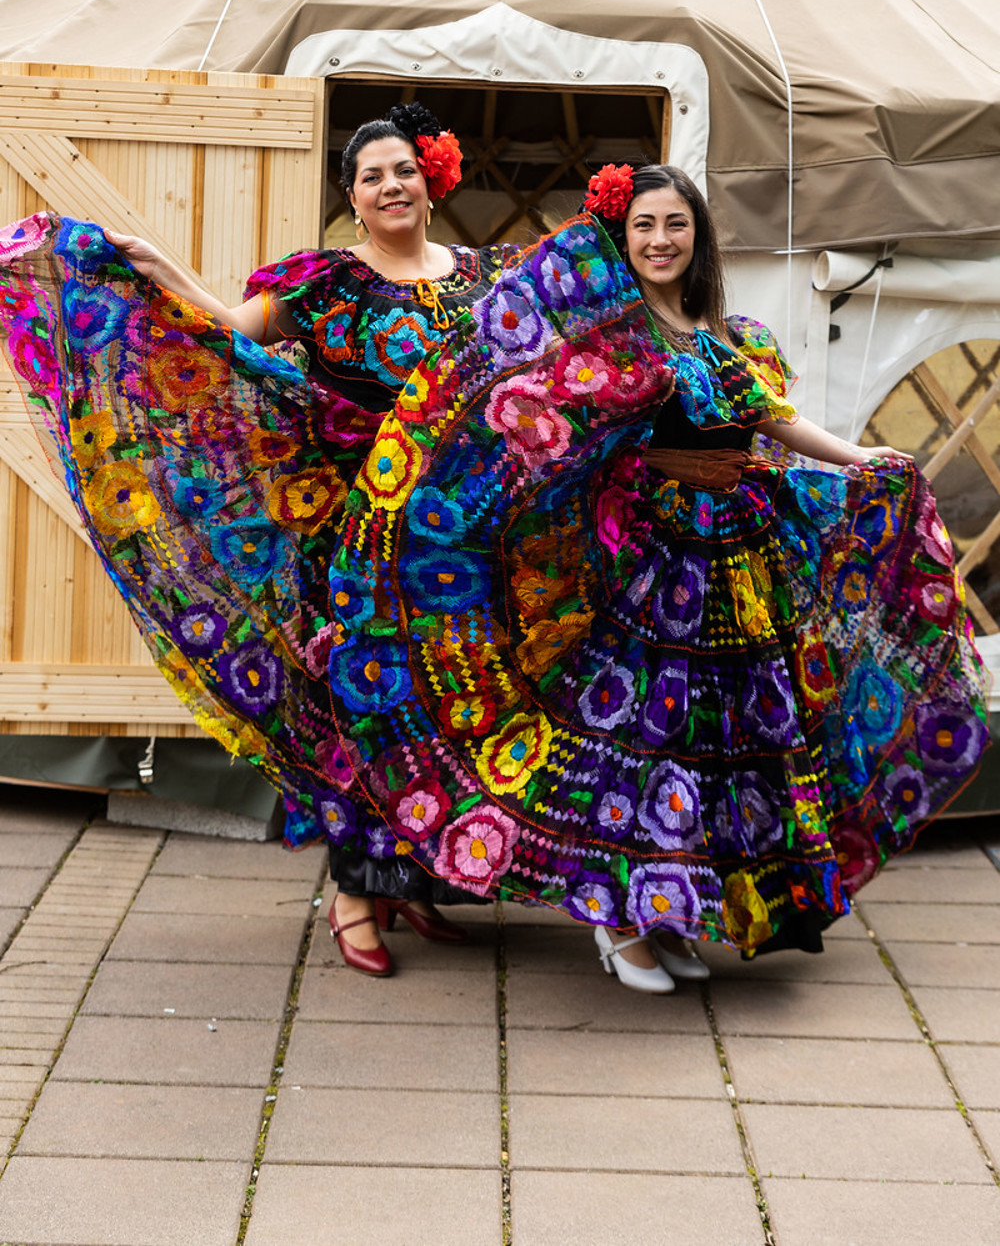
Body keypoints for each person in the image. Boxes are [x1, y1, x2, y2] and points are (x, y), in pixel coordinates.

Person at [317, 162, 990, 993]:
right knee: (632, 739)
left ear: (698, 235)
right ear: (621, 237)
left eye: (675, 224)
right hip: (647, 566)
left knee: (705, 747)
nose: (660, 240)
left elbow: (771, 420)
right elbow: (529, 416)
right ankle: (615, 921)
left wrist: (863, 459)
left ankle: (667, 914)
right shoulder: (608, 334)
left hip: (736, 566)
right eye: (643, 226)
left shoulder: (725, 336)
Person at [0, 102, 514, 978]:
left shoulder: (483, 278)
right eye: (370, 176)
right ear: (353, 198)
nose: (390, 186)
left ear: (433, 181)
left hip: (457, 540)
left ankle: (411, 881)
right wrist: (161, 270)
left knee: (445, 713)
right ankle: (355, 894)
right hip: (352, 536)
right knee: (366, 707)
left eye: (403, 170)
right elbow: (224, 335)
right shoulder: (325, 282)